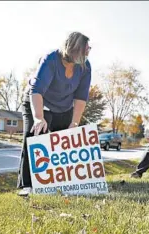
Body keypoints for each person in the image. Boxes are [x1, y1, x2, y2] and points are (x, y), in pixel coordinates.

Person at [17, 32, 92, 196]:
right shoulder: (51, 59)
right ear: (74, 49)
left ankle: (61, 184)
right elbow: (37, 90)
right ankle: (26, 186)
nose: (88, 53)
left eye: (89, 49)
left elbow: (81, 97)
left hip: (63, 107)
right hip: (38, 102)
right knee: (34, 138)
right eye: (85, 49)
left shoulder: (85, 66)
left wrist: (75, 123)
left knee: (65, 143)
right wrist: (38, 118)